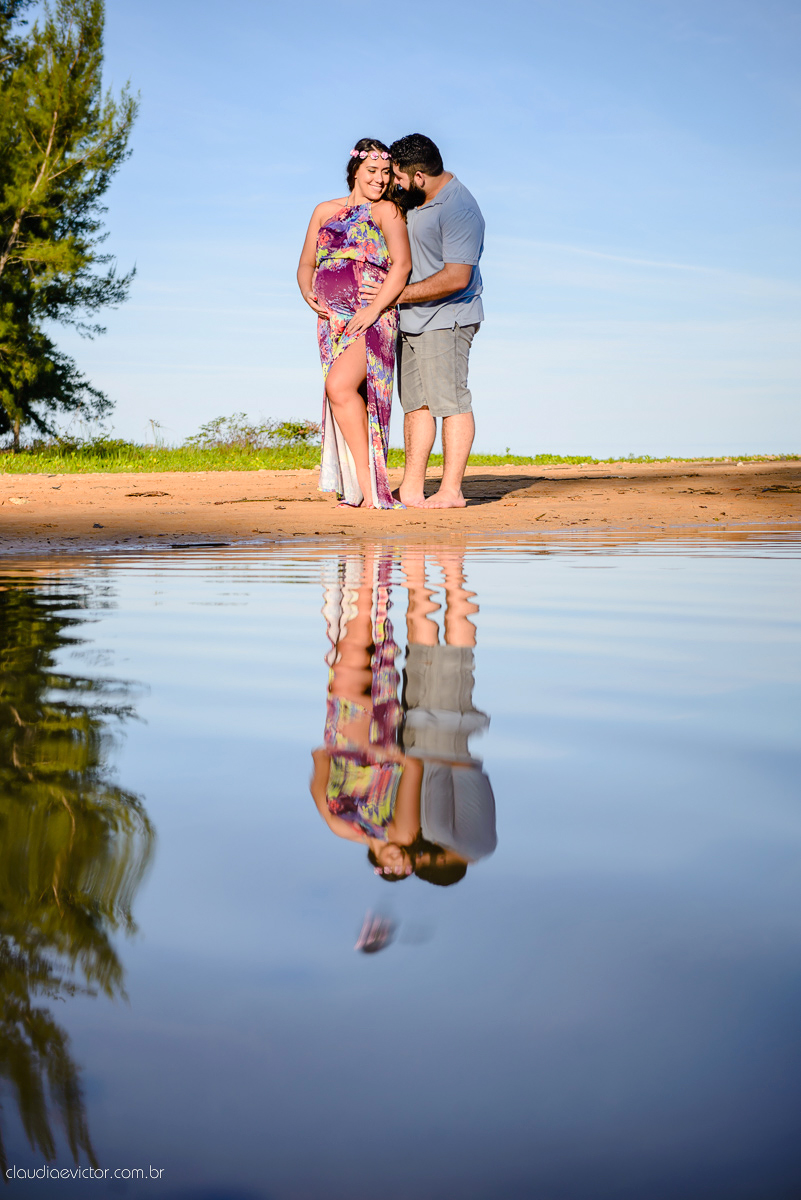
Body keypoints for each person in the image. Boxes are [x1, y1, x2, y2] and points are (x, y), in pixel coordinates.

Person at [361, 134, 485, 509]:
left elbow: (457, 277)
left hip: (447, 319)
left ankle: (451, 491)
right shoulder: (416, 200)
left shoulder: (460, 208)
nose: (393, 184)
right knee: (415, 405)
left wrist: (393, 297)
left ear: (418, 176)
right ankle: (412, 488)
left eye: (398, 177)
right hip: (411, 320)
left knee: (451, 402)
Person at [297, 138, 412, 509]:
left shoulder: (388, 212)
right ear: (355, 171)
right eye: (372, 172)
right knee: (350, 397)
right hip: (332, 322)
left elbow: (402, 266)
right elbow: (305, 264)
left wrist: (374, 309)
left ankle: (370, 486)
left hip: (372, 316)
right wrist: (307, 292)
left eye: (385, 173)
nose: (380, 180)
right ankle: (361, 488)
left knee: (339, 386)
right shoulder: (323, 210)